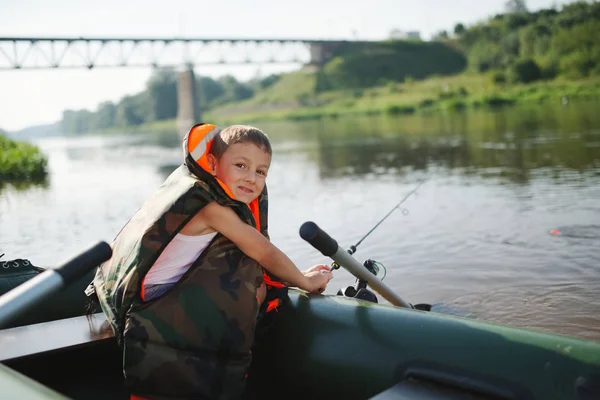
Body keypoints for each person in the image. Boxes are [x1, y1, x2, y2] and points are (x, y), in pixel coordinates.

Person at [88, 123, 333, 400]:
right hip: (157, 306)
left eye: (261, 171)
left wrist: (291, 275)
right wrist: (305, 281)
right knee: (254, 277)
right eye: (241, 165)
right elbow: (264, 251)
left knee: (256, 279)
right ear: (213, 164)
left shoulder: (201, 193)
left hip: (161, 293)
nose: (251, 178)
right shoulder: (209, 207)